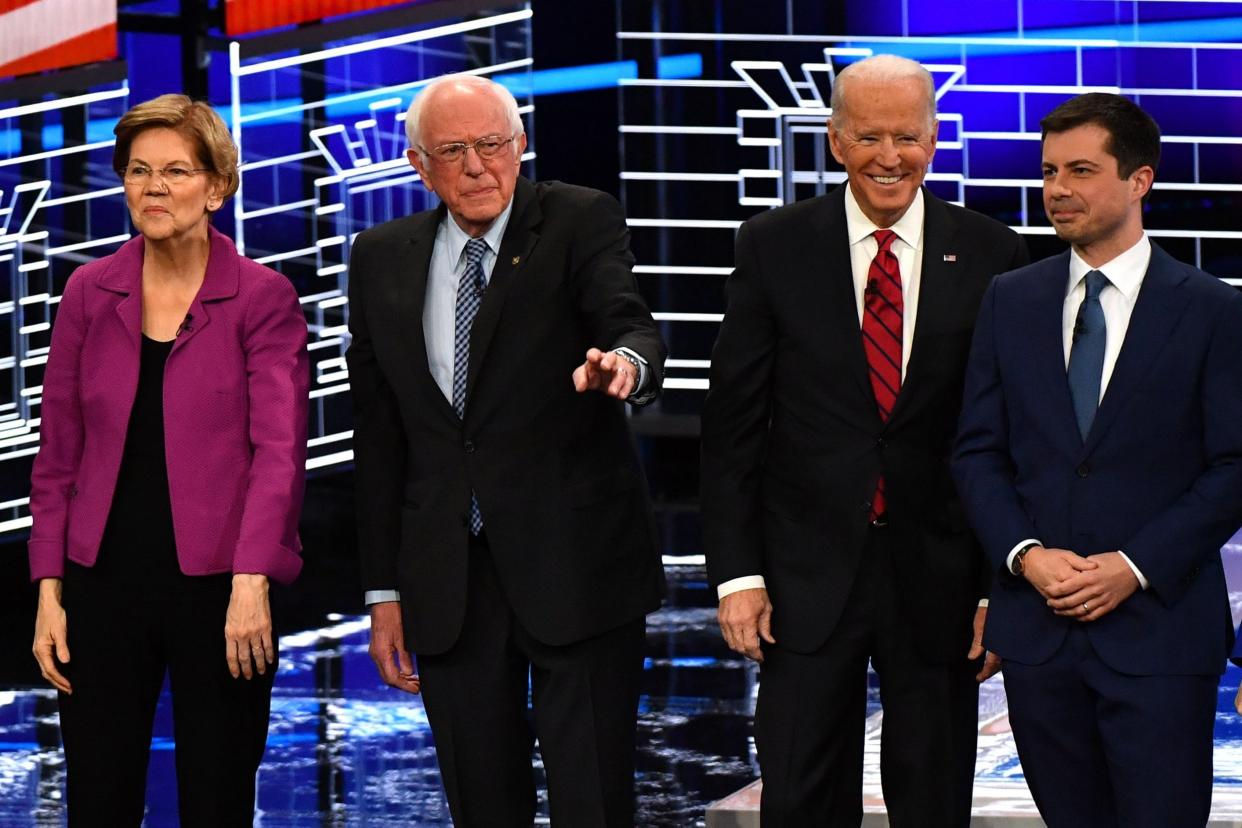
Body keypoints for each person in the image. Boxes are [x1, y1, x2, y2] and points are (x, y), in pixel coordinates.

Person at [700, 54, 1028, 826]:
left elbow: (1008, 434)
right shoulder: (771, 245)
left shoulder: (992, 252)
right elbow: (733, 427)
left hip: (940, 577)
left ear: (935, 138)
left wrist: (995, 586)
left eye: (907, 136)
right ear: (835, 140)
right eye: (870, 136)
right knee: (803, 795)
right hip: (803, 577)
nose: (891, 157)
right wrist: (737, 576)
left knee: (932, 799)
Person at [345, 73, 666, 827]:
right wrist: (383, 593)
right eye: (453, 150)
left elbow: (630, 322)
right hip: (448, 580)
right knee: (481, 805)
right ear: (419, 165)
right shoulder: (380, 256)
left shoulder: (578, 221)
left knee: (593, 803)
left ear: (520, 146)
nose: (477, 165)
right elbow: (380, 437)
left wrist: (624, 364)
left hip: (576, 565)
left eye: (492, 144)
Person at [953, 92, 1242, 827]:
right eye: (1050, 171)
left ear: (1140, 181)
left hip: (1161, 633)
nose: (1058, 189)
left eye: (1081, 170)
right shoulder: (1009, 300)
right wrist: (1024, 555)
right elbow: (979, 451)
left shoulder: (1212, 309)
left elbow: (1234, 466)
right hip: (1039, 635)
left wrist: (1133, 566)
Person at [28, 94, 310, 827]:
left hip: (219, 589)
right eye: (138, 171)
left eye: (176, 171)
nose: (152, 187)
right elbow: (58, 455)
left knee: (216, 800)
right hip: (100, 585)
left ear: (217, 185)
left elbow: (279, 454)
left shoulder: (262, 299)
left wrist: (252, 584)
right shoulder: (89, 293)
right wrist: (48, 589)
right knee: (99, 800)